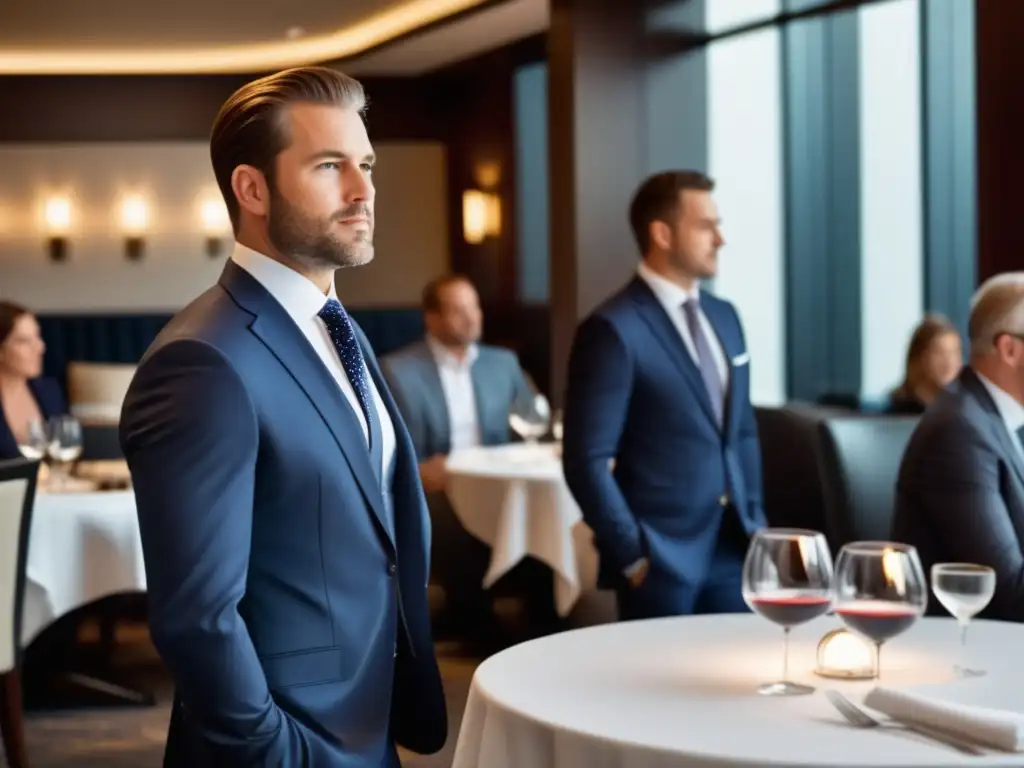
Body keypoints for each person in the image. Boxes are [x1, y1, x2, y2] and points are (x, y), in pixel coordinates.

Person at [119, 67, 446, 767]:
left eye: (366, 165)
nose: (364, 191)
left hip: (369, 721)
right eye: (330, 166)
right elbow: (197, 619)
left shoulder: (336, 326)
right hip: (288, 748)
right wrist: (278, 751)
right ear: (253, 188)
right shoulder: (203, 361)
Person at [562, 170, 765, 621]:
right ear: (662, 233)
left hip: (736, 548)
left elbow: (743, 432)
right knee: (656, 690)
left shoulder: (726, 316)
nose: (721, 239)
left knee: (736, 682)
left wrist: (756, 519)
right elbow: (585, 459)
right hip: (661, 562)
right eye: (706, 226)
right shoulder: (613, 329)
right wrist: (632, 555)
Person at [380, 274, 535, 642]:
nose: (471, 318)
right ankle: (478, 628)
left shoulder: (503, 364)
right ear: (431, 318)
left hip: (501, 482)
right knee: (447, 521)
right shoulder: (398, 370)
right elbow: (386, 448)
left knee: (536, 511)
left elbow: (532, 426)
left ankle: (540, 622)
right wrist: (415, 471)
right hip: (438, 486)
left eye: (474, 307)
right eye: (458, 310)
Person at [893, 273, 1024, 622]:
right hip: (973, 651)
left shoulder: (996, 418)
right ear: (1010, 349)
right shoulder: (958, 433)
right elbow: (1008, 594)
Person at [0, 301, 66, 460]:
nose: (40, 347)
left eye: (37, 336)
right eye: (23, 341)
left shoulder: (49, 391)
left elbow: (64, 447)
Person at [886, 314, 962, 414]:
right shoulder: (893, 413)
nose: (949, 362)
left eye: (954, 353)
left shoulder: (966, 410)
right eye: (939, 353)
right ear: (918, 358)